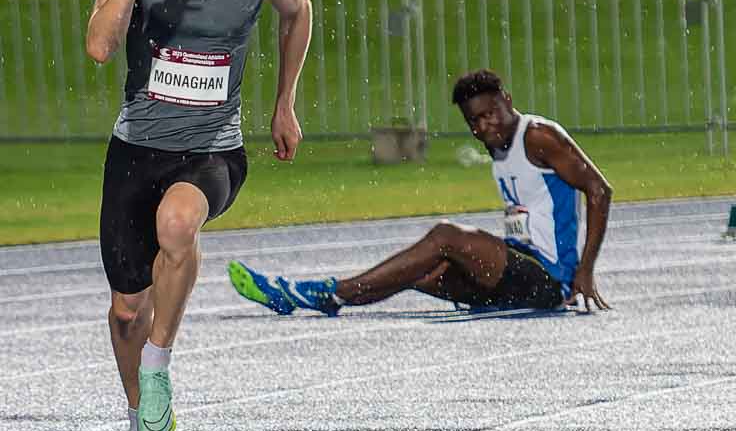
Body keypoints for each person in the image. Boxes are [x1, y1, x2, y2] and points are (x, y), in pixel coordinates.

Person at [86, 0, 312, 431]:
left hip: (213, 148)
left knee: (179, 225)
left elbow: (297, 13)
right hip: (136, 148)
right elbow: (100, 47)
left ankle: (159, 364)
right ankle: (140, 426)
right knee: (127, 310)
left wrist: (285, 103)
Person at [228, 68, 613, 318]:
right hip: (518, 268)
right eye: (475, 121)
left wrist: (585, 270)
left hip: (548, 274)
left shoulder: (539, 136)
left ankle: (327, 293)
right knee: (418, 273)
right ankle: (304, 296)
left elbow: (599, 190)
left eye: (491, 112)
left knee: (445, 236)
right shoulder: (497, 146)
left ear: (507, 101)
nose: (485, 125)